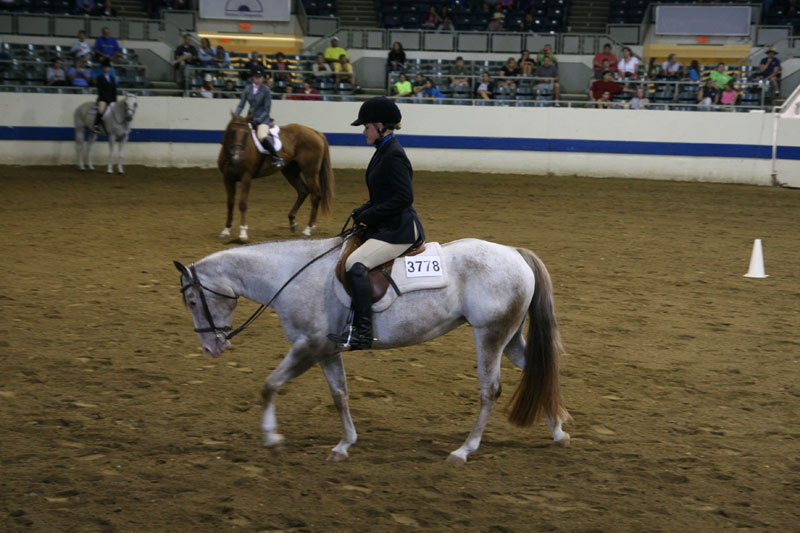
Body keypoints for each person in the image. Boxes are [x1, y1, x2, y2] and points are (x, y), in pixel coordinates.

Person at [327, 97, 425, 351]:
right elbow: (383, 195)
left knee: (355, 264)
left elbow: (404, 198)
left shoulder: (393, 155)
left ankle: (363, 331)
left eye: (366, 127)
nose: (363, 132)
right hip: (385, 224)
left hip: (398, 230)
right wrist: (364, 209)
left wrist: (370, 215)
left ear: (380, 126)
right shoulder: (383, 151)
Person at [235, 66, 284, 168]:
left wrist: (257, 121)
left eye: (260, 77)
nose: (258, 79)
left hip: (262, 120)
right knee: (238, 133)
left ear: (262, 78)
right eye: (256, 77)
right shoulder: (247, 89)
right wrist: (236, 116)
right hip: (249, 118)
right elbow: (241, 105)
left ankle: (277, 157)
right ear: (253, 78)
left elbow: (267, 110)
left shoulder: (266, 90)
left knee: (261, 135)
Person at [93, 57, 117, 133]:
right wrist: (107, 99)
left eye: (108, 67)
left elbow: (114, 90)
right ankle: (96, 125)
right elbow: (101, 90)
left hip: (111, 99)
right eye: (105, 67)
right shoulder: (100, 78)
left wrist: (115, 100)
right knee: (101, 110)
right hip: (103, 98)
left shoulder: (112, 78)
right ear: (103, 68)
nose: (107, 69)